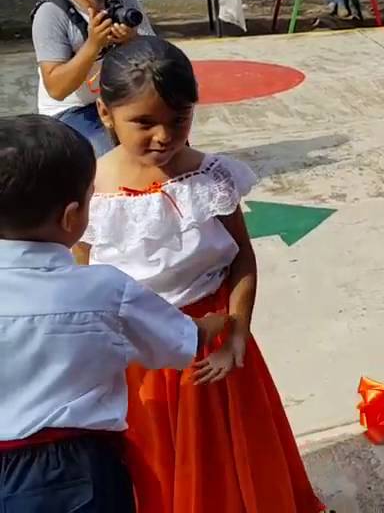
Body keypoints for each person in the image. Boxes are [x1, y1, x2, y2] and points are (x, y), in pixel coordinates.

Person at [75, 37, 324, 512]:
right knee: (158, 469)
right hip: (138, 362)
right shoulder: (89, 189)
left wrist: (237, 332)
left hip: (213, 352)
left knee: (231, 465)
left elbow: (241, 258)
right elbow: (81, 280)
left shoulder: (211, 177)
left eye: (179, 120)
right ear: (106, 114)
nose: (164, 137)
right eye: (144, 123)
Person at [0, 114, 222, 513]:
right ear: (72, 218)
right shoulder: (105, 289)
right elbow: (180, 344)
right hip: (75, 469)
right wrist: (215, 323)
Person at [33, 0, 155, 157]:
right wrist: (93, 45)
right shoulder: (52, 13)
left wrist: (133, 41)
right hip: (72, 109)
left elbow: (158, 56)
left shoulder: (126, 2)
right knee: (114, 154)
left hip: (118, 100)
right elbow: (57, 89)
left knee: (168, 137)